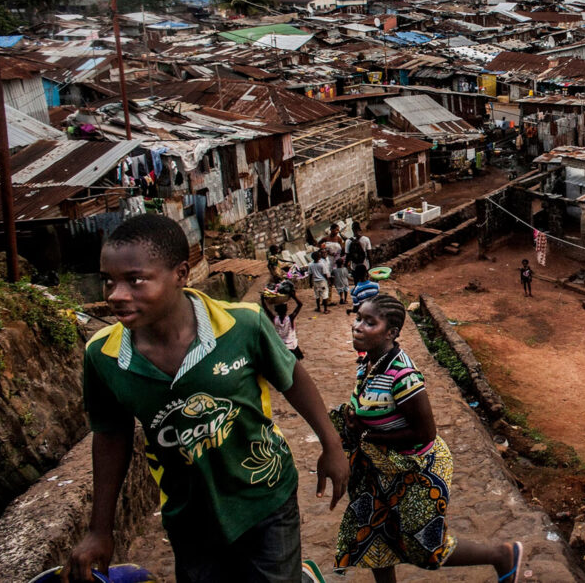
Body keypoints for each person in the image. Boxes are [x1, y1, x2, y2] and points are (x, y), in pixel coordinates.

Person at [65, 214, 348, 583]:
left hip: (264, 495)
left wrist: (332, 444)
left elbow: (292, 377)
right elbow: (110, 435)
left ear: (180, 274)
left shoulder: (242, 325)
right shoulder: (103, 356)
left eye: (135, 280)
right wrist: (100, 529)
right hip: (188, 513)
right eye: (108, 281)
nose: (116, 295)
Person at [332, 295, 524, 582]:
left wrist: (368, 434)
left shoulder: (403, 375)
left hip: (415, 469)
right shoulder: (370, 363)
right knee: (375, 538)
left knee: (426, 546)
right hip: (380, 470)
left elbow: (425, 432)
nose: (357, 326)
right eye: (358, 318)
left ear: (391, 332)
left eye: (369, 322)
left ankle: (501, 555)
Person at [262, 291, 305, 361]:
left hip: (281, 347)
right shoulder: (290, 318)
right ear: (286, 309)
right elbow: (300, 304)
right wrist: (294, 296)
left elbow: (266, 309)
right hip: (292, 347)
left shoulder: (274, 319)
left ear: (276, 311)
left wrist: (262, 299)